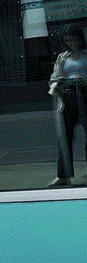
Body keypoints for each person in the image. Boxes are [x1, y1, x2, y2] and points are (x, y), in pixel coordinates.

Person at [47, 23, 87, 186]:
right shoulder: (63, 57)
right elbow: (54, 76)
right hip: (68, 96)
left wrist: (84, 81)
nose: (71, 43)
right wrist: (58, 83)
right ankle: (63, 175)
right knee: (64, 136)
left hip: (85, 94)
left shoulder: (85, 55)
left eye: (74, 39)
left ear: (80, 39)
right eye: (68, 40)